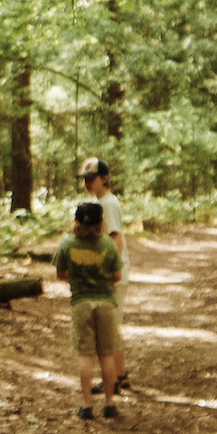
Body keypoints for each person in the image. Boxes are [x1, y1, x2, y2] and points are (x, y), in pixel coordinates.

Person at [57, 200, 126, 420]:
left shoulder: (67, 244)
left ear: (76, 222)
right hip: (106, 303)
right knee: (106, 354)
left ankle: (86, 405)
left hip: (80, 304)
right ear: (101, 223)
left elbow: (60, 273)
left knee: (85, 354)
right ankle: (109, 403)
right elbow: (117, 276)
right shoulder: (107, 245)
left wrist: (78, 277)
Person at [75, 157, 133, 396]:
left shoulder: (108, 204)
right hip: (115, 272)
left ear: (104, 178)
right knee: (112, 327)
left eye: (92, 179)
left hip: (114, 273)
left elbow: (115, 238)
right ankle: (121, 376)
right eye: (85, 179)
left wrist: (110, 271)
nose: (88, 183)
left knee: (106, 330)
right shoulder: (104, 202)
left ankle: (113, 380)